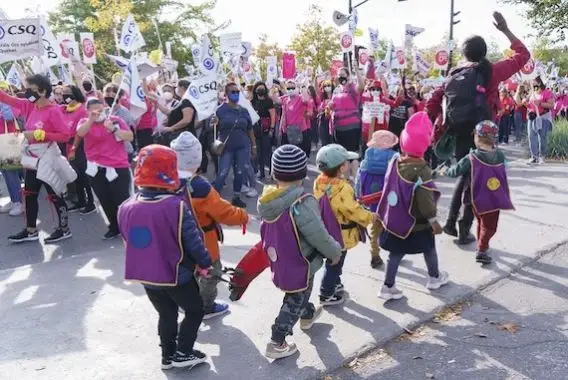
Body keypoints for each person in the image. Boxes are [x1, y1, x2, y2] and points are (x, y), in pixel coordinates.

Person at [426, 11, 530, 243]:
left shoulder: (455, 73)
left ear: (464, 53)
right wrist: (504, 30)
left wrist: (429, 121)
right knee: (476, 180)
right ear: (484, 53)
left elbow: (434, 99)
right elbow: (524, 55)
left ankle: (453, 223)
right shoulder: (491, 71)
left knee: (466, 175)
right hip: (482, 132)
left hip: (459, 130)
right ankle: (464, 229)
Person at [117, 144, 212, 370]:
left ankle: (167, 355)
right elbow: (193, 242)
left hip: (143, 275)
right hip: (175, 273)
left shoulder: (126, 206)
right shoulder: (175, 206)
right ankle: (183, 352)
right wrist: (205, 263)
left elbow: (126, 240)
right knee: (194, 310)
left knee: (166, 313)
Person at [258, 144, 343, 359]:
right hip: (302, 261)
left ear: (274, 172)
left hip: (281, 258)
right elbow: (318, 234)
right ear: (303, 173)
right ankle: (276, 340)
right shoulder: (301, 203)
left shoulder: (269, 200)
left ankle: (307, 314)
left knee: (301, 291)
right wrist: (334, 252)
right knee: (296, 296)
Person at [171, 132, 249, 319]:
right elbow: (224, 212)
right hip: (203, 239)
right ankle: (206, 307)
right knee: (210, 274)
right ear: (197, 160)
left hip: (175, 239)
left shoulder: (167, 181)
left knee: (185, 273)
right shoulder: (200, 186)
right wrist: (243, 216)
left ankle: (185, 302)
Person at [377, 112, 449, 300]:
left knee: (396, 254)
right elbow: (425, 201)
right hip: (417, 223)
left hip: (397, 219)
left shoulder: (395, 162)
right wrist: (433, 220)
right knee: (429, 249)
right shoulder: (422, 171)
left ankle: (387, 286)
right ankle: (434, 277)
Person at [1, 74, 74, 244]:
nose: (27, 93)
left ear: (42, 91)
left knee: (54, 194)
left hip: (47, 157)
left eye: (30, 90)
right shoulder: (28, 105)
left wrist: (41, 134)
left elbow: (65, 135)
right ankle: (31, 230)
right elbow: (6, 98)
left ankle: (64, 229)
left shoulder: (54, 110)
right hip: (32, 159)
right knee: (30, 194)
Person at [445, 120, 514, 265]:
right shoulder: (500, 156)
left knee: (481, 223)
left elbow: (455, 171)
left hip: (475, 198)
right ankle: (482, 250)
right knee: (490, 227)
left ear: (477, 138)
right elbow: (506, 167)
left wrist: (446, 170)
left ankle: (481, 245)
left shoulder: (471, 157)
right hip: (493, 199)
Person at [313, 144, 375, 305]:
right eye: (347, 161)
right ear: (342, 167)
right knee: (335, 262)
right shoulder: (343, 188)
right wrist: (370, 216)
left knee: (334, 260)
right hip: (341, 233)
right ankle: (326, 293)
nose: (349, 164)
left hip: (327, 229)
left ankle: (335, 283)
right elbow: (352, 210)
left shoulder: (319, 182)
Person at [77, 98, 134, 239]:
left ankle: (129, 226)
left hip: (117, 166)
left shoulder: (115, 120)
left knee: (121, 198)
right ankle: (114, 226)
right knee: (104, 198)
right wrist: (91, 120)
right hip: (96, 168)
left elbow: (130, 136)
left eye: (100, 109)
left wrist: (113, 129)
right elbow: (80, 133)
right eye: (93, 110)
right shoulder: (85, 122)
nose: (97, 112)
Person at [356, 130, 398, 269]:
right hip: (389, 199)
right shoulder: (394, 157)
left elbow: (359, 178)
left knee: (375, 226)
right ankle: (395, 253)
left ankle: (374, 254)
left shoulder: (367, 156)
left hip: (371, 199)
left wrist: (359, 196)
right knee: (393, 225)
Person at [212, 82, 256, 208]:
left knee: (239, 172)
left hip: (242, 146)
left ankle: (236, 197)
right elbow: (212, 127)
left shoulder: (244, 110)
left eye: (237, 92)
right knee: (223, 173)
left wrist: (253, 146)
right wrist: (213, 123)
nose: (236, 94)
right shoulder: (220, 110)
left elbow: (249, 129)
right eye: (233, 91)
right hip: (226, 148)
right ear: (226, 94)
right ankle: (214, 198)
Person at [60, 85, 96, 215]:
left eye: (68, 92)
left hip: (80, 146)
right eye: (63, 93)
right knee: (76, 175)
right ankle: (81, 200)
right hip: (67, 145)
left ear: (75, 93)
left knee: (84, 175)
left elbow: (81, 132)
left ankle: (91, 203)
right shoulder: (65, 110)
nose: (65, 95)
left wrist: (74, 148)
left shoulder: (82, 109)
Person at [0, 100, 23, 216]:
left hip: (8, 139)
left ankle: (18, 202)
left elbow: (9, 116)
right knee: (4, 171)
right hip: (2, 138)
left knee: (10, 171)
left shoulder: (5, 99)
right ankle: (13, 199)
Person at [280, 80, 314, 158]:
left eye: (292, 87)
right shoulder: (285, 98)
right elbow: (274, 99)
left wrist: (303, 87)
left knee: (300, 153)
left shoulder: (300, 97)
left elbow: (306, 100)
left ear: (296, 88)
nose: (290, 90)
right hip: (287, 130)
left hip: (300, 130)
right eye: (288, 88)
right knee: (289, 154)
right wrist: (272, 87)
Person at [525, 76, 555, 164]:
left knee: (542, 137)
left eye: (534, 82)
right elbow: (530, 105)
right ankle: (534, 156)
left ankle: (542, 156)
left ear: (539, 83)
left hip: (543, 117)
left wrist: (540, 103)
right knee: (531, 137)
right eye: (532, 83)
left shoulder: (547, 92)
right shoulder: (532, 93)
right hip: (532, 117)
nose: (532, 84)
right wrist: (525, 104)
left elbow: (551, 105)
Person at [251, 81, 276, 180]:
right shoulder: (252, 102)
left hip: (266, 129)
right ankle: (261, 172)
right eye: (258, 89)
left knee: (267, 151)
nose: (260, 91)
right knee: (259, 152)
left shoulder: (268, 101)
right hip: (256, 130)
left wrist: (272, 128)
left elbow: (272, 115)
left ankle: (271, 171)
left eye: (262, 89)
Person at [160, 80, 196, 145]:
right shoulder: (182, 101)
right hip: (179, 136)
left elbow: (187, 120)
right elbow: (169, 112)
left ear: (181, 88)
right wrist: (156, 103)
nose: (176, 89)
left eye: (177, 87)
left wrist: (171, 128)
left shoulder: (187, 101)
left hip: (183, 137)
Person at [318, 80, 334, 146]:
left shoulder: (335, 96)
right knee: (325, 143)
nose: (327, 87)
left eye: (328, 85)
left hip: (333, 122)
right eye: (325, 86)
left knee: (332, 141)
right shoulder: (322, 98)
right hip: (323, 122)